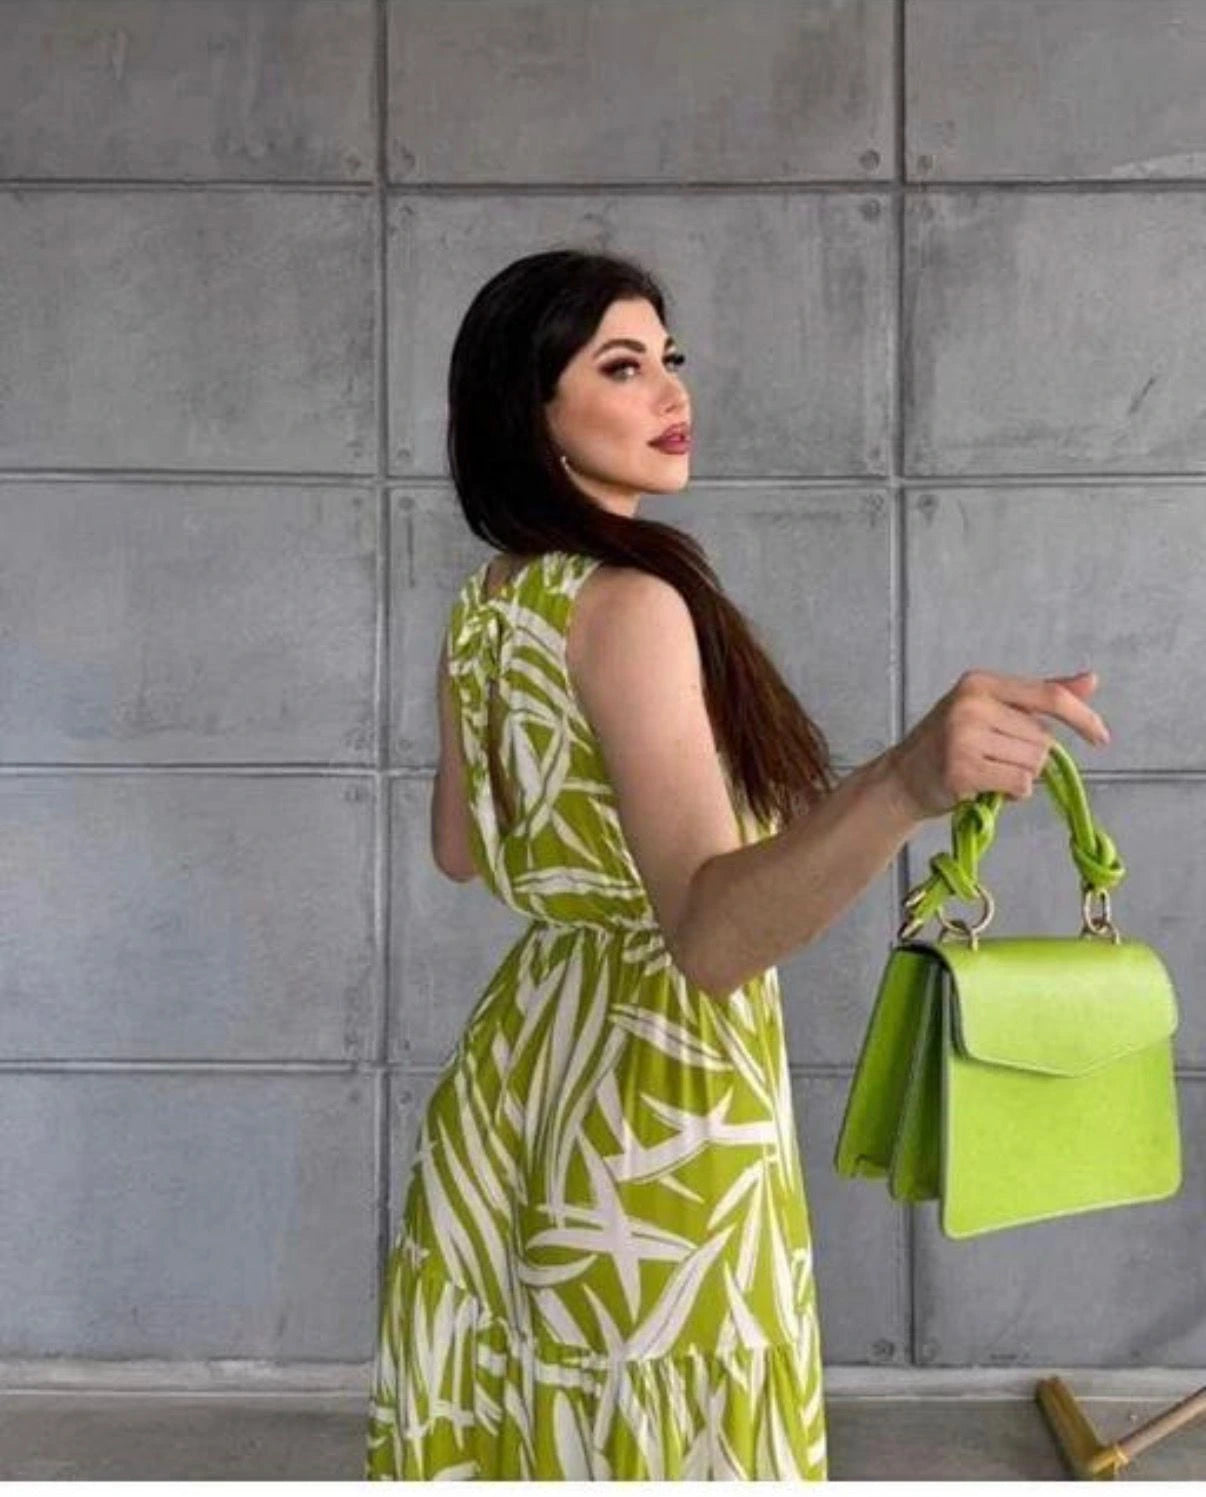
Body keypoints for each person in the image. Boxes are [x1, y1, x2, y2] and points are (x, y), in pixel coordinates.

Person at [364, 249, 1110, 1481]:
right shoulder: (631, 606)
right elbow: (710, 942)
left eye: (670, 359)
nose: (672, 392)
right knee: (672, 1433)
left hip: (523, 1072)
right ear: (528, 410)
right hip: (656, 1100)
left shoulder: (491, 603)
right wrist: (905, 783)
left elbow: (461, 849)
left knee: (536, 1423)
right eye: (621, 367)